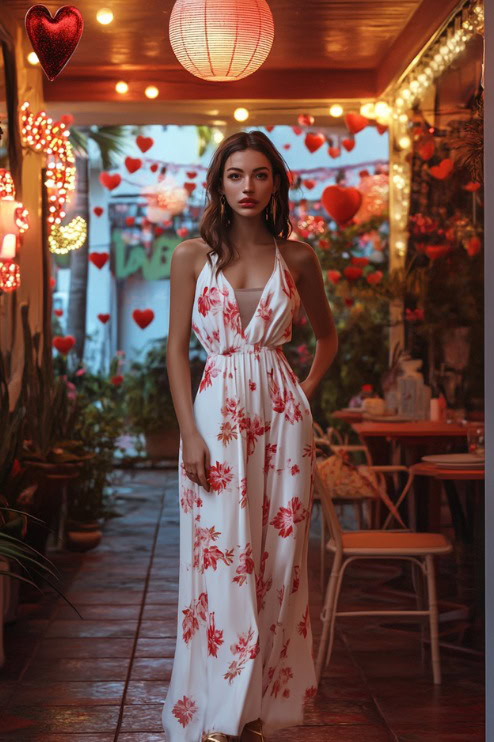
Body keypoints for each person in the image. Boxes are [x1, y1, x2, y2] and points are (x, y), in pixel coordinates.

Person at [162, 130, 338, 742]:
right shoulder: (191, 255)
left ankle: (258, 707)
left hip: (283, 422)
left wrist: (300, 398)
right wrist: (189, 432)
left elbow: (328, 338)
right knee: (222, 558)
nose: (247, 187)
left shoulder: (300, 257)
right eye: (236, 175)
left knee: (280, 561)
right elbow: (177, 353)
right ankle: (220, 707)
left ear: (276, 184)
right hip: (214, 419)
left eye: (260, 175)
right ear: (219, 183)